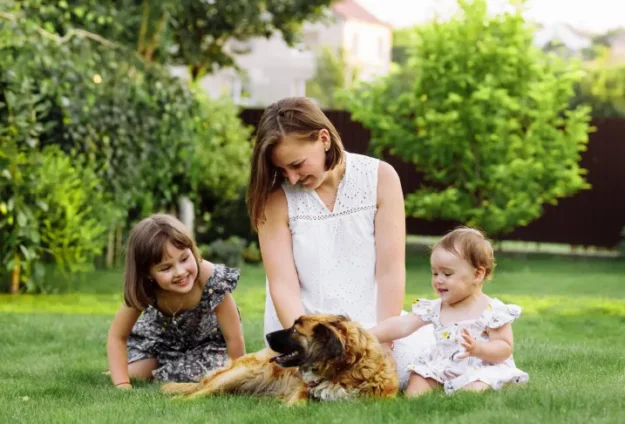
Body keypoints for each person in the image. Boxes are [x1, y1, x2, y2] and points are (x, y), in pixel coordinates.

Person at [246, 96, 435, 389]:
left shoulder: (381, 178)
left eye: (297, 165)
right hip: (306, 329)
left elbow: (390, 270)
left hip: (371, 324)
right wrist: (307, 347)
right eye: (284, 171)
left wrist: (382, 339)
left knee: (422, 365)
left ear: (323, 138)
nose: (292, 179)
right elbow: (283, 285)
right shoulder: (275, 201)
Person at [369, 227, 529, 396]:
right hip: (444, 365)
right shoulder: (435, 308)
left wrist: (478, 348)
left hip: (481, 366)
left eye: (447, 274)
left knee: (475, 387)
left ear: (477, 274)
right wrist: (366, 334)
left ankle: (468, 393)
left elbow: (504, 347)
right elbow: (402, 324)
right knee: (418, 381)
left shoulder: (492, 311)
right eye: (435, 273)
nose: (438, 280)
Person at [106, 214, 245, 389]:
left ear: (192, 250)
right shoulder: (146, 287)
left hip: (206, 346)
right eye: (166, 268)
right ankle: (151, 368)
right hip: (159, 344)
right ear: (148, 273)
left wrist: (236, 377)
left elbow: (234, 337)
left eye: (185, 259)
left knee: (213, 372)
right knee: (135, 372)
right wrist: (122, 383)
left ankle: (169, 370)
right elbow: (117, 336)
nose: (180, 272)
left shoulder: (210, 278)